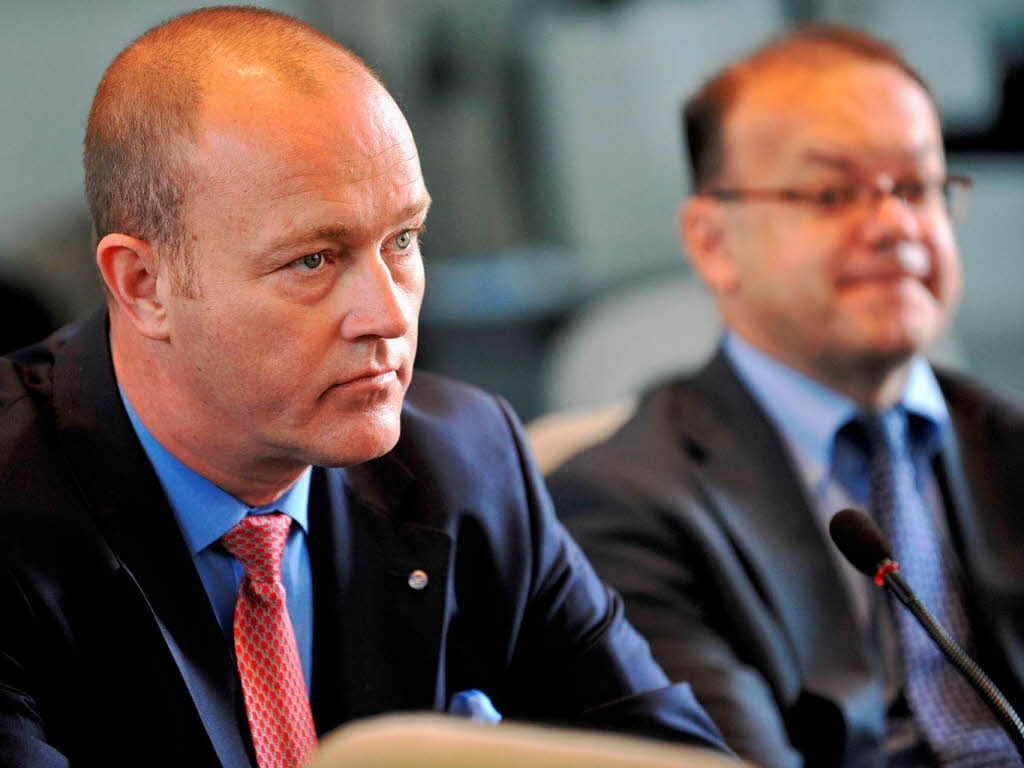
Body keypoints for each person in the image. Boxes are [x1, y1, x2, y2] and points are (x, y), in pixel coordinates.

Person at [0, 8, 729, 768]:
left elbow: (673, 758)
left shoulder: (469, 461)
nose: (389, 315)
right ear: (144, 285)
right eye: (312, 260)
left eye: (403, 240)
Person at [548, 25, 1024, 768]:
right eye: (833, 193)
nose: (896, 225)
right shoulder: (618, 506)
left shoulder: (1009, 440)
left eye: (917, 187)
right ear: (713, 242)